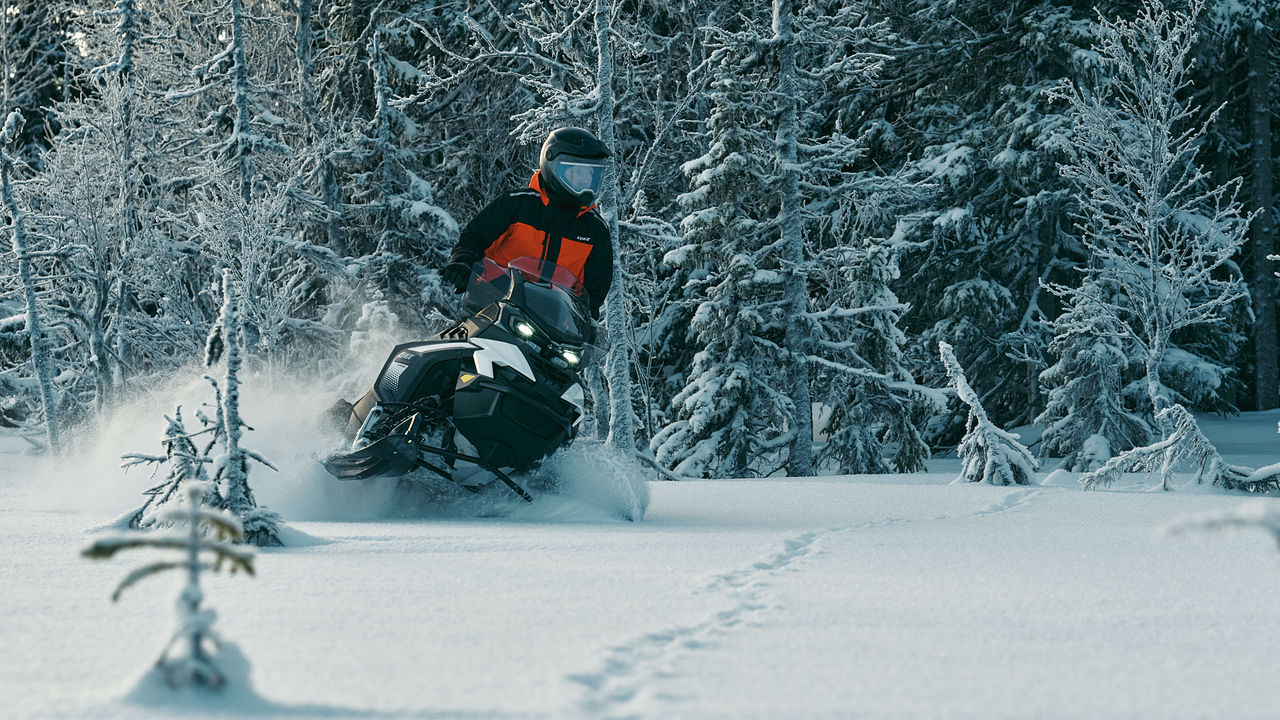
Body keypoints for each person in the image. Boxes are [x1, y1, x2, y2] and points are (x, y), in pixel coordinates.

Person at [442, 127, 614, 318]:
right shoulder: (517, 205)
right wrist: (462, 264)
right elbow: (473, 239)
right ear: (554, 168)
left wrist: (585, 322)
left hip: (550, 325)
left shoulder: (595, 231)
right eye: (578, 173)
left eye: (591, 174)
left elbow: (592, 295)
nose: (586, 181)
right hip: (490, 308)